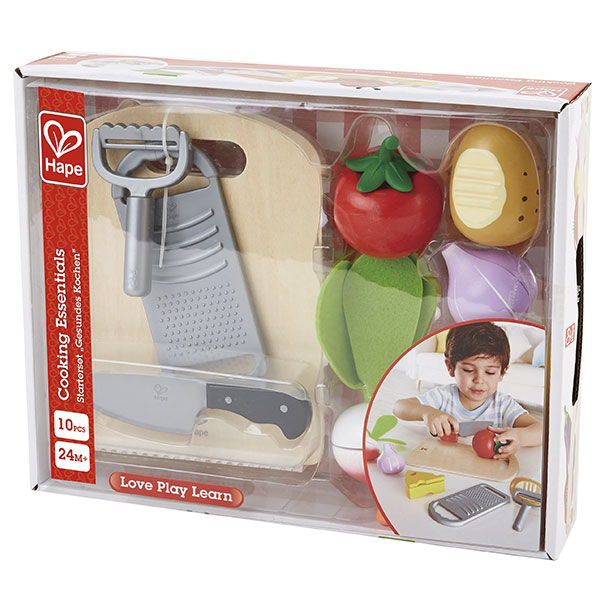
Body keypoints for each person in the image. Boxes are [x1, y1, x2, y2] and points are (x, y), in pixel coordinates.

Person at [393, 322, 542, 458]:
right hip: (441, 464)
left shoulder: (503, 405)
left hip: (485, 471)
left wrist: (520, 437)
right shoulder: (443, 396)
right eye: (469, 370)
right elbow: (399, 407)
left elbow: (541, 431)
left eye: (490, 372)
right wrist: (427, 413)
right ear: (450, 367)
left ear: (502, 373)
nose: (479, 380)